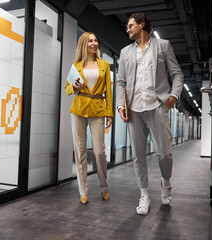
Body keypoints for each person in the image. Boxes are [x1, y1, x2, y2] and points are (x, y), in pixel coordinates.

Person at [116, 13, 184, 215]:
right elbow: (120, 82)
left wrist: (173, 96)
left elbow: (177, 74)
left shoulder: (163, 45)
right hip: (133, 109)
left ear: (142, 24)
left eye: (130, 25)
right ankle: (144, 194)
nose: (127, 29)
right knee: (138, 155)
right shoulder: (125, 52)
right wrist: (121, 105)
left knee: (164, 152)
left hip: (157, 105)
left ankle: (166, 181)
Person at [65, 32, 113, 205]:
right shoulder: (76, 65)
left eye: (95, 40)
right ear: (84, 44)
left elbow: (109, 90)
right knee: (80, 151)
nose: (94, 43)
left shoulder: (105, 65)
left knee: (99, 151)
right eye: (90, 41)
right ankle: (83, 190)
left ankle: (103, 186)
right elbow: (67, 89)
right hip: (78, 110)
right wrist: (75, 86)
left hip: (98, 109)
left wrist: (110, 113)